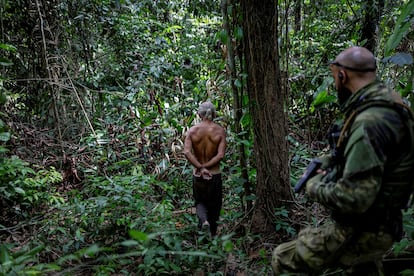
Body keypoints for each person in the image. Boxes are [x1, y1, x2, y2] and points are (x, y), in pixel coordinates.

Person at [272, 46, 414, 275]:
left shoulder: (369, 121)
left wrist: (314, 186)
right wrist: (331, 161)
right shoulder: (388, 102)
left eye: (334, 76)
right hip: (382, 222)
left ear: (342, 74)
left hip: (365, 229)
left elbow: (355, 198)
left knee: (283, 258)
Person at [184, 101, 226, 236]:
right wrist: (207, 167)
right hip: (214, 173)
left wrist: (200, 167)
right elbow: (220, 154)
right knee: (215, 205)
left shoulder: (192, 131)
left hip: (198, 175)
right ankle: (213, 234)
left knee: (200, 202)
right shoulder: (219, 130)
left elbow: (187, 152)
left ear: (199, 114)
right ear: (213, 114)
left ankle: (204, 222)